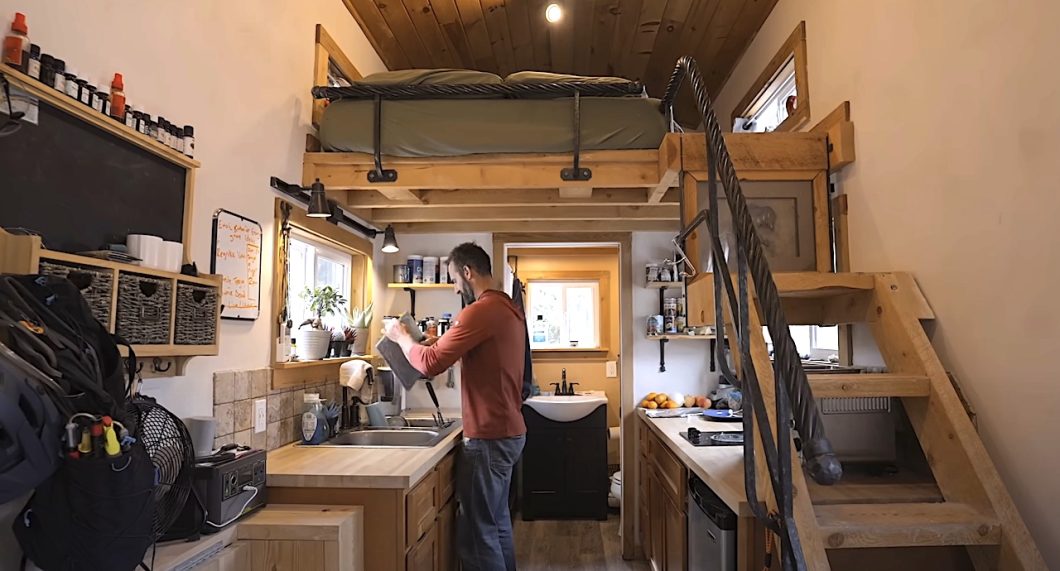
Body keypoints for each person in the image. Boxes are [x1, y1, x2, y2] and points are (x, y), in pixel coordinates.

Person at [385, 242, 527, 571]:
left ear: (467, 272)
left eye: (453, 278)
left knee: (479, 535)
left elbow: (431, 364)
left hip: (490, 436)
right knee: (496, 525)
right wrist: (433, 342)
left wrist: (401, 337)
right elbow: (462, 349)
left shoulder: (480, 310)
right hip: (507, 431)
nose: (453, 286)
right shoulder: (505, 308)